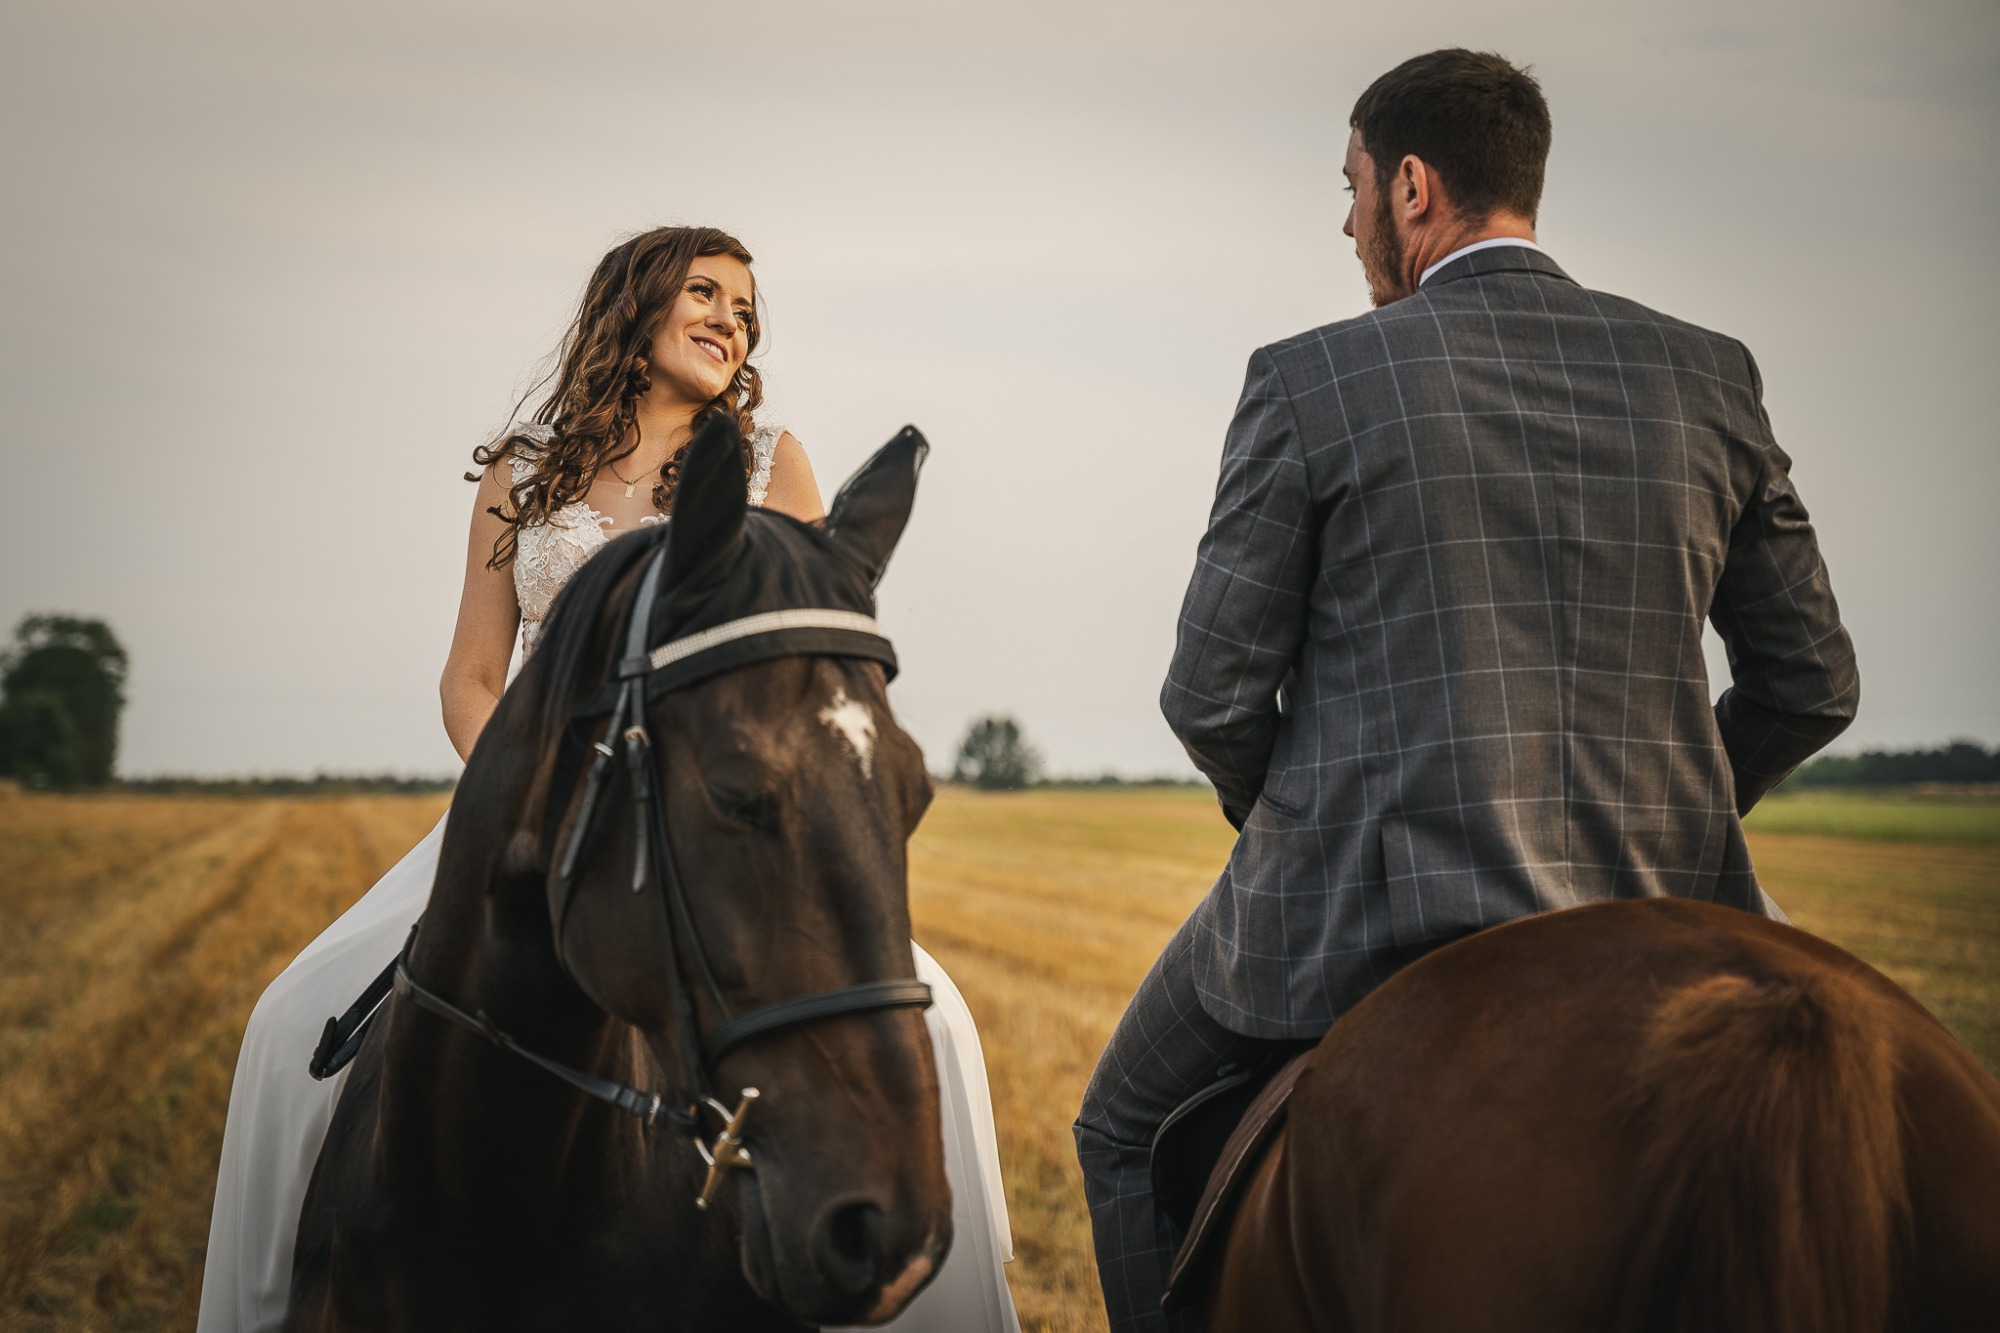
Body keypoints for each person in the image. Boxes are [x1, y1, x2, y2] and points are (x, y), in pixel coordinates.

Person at [1074, 49, 1859, 1332]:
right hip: (1660, 895)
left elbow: (1209, 695)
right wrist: (1676, 803)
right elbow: (1811, 680)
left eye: (1349, 188)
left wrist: (1315, 814)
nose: (1344, 221)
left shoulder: (1310, 379)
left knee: (1115, 1125)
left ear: (1413, 187)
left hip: (1370, 904)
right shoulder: (1707, 372)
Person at [198, 226, 1020, 1333]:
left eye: (745, 305)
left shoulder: (773, 461)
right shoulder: (521, 472)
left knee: (946, 1027)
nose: (732, 317)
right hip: (524, 815)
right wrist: (531, 795)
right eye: (704, 291)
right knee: (287, 1020)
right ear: (633, 307)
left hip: (703, 825)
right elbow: (472, 676)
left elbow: (800, 673)